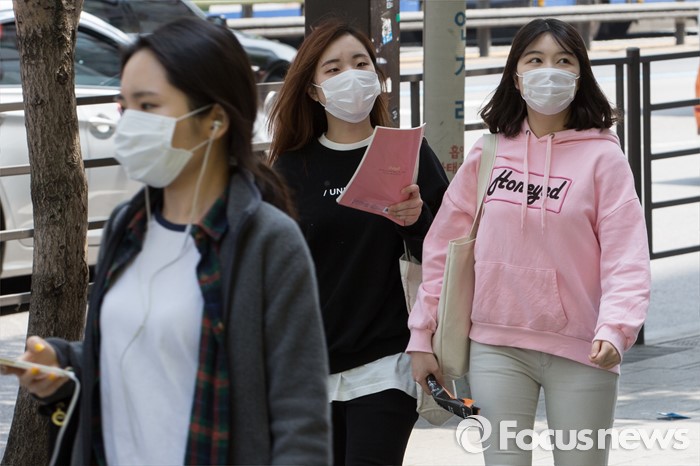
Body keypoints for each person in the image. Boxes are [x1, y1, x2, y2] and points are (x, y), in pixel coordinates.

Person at [0, 17, 330, 466]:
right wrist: (64, 363)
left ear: (214, 121)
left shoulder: (267, 242)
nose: (129, 123)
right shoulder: (126, 226)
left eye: (149, 105)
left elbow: (301, 422)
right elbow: (138, 354)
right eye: (125, 106)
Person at [408, 18, 651, 465]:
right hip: (495, 347)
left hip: (583, 351)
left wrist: (616, 328)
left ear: (580, 76)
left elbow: (626, 257)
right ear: (516, 78)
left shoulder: (604, 158)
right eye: (535, 60)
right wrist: (421, 335)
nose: (549, 72)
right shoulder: (488, 152)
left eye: (564, 61)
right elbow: (443, 247)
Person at [267, 18, 449, 466]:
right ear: (314, 91)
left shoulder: (408, 154)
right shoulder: (291, 168)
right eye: (333, 69)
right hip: (310, 370)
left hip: (387, 363)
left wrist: (415, 221)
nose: (350, 76)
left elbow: (448, 255)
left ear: (377, 76)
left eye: (360, 63)